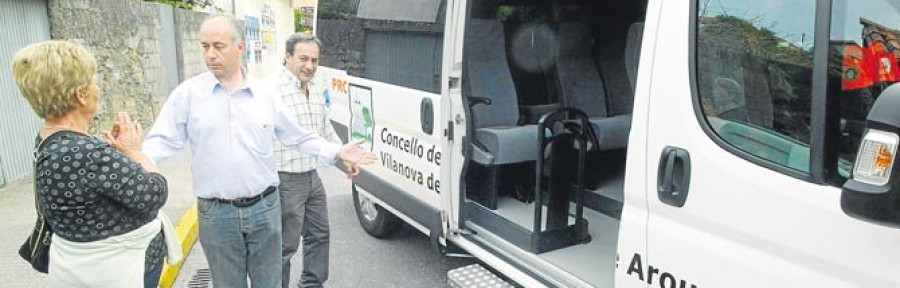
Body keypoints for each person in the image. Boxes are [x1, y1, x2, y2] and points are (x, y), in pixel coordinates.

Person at [141, 15, 376, 288]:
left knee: (270, 283)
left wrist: (337, 151)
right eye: (204, 46)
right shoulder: (187, 96)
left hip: (264, 210)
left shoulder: (264, 95)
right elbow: (159, 141)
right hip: (218, 216)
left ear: (240, 47)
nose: (210, 54)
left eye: (218, 46)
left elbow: (298, 136)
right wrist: (135, 160)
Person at [11, 40, 181, 287]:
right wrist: (135, 151)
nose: (98, 89)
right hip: (118, 274)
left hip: (83, 271)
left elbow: (94, 187)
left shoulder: (51, 140)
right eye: (94, 82)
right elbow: (154, 192)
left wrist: (116, 155)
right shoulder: (88, 154)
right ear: (80, 95)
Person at [271, 33, 343, 288]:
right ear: (287, 56)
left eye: (314, 60)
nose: (309, 66)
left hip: (311, 176)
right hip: (285, 178)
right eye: (303, 58)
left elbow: (325, 131)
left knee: (319, 234)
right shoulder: (272, 91)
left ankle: (312, 284)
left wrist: (344, 156)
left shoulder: (314, 88)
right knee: (285, 245)